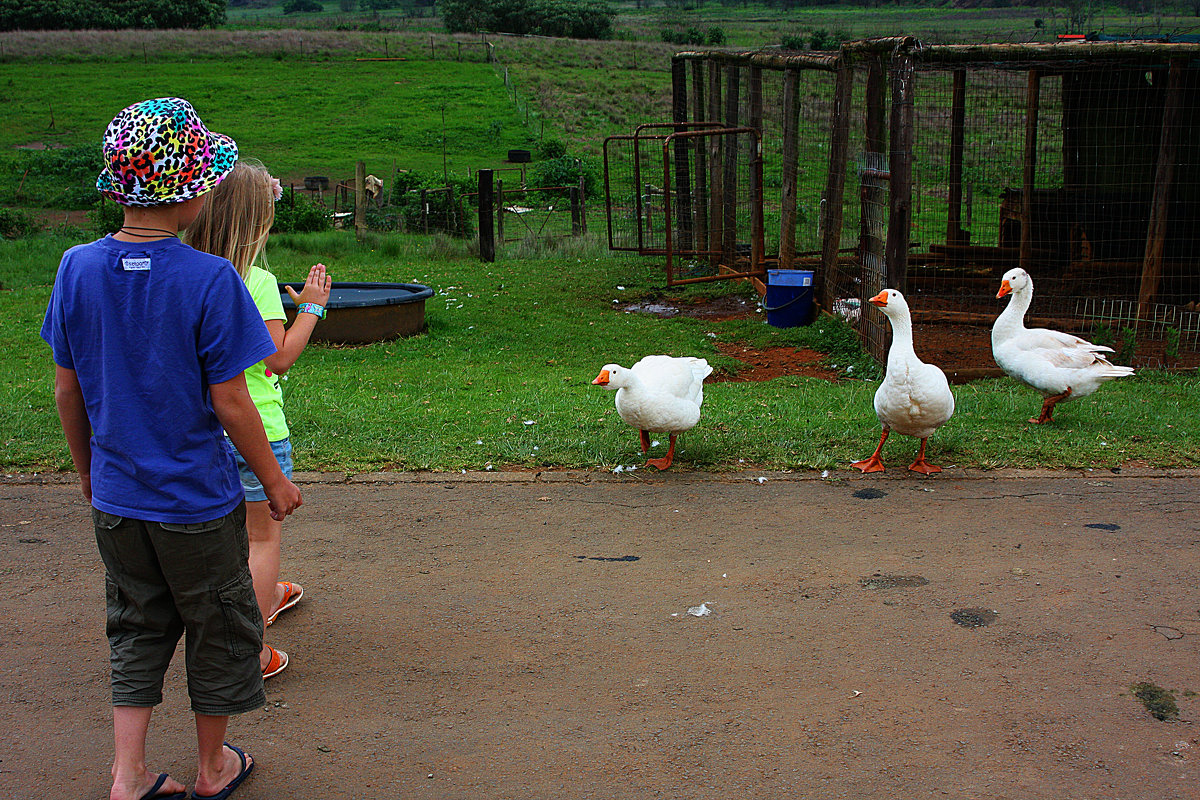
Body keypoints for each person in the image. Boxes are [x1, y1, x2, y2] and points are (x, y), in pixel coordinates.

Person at [41, 97, 302, 800]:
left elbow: (69, 393)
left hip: (119, 501)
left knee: (136, 625)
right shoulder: (211, 280)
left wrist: (89, 472)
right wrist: (274, 481)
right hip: (196, 503)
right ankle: (213, 767)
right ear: (191, 190)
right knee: (217, 627)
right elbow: (231, 400)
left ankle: (128, 775)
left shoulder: (76, 267)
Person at [185, 160, 332, 680]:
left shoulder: (186, 270)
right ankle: (252, 649)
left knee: (219, 536)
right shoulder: (256, 279)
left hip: (199, 429)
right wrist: (311, 309)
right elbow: (277, 356)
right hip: (256, 429)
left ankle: (265, 593)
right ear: (256, 223)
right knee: (261, 539)